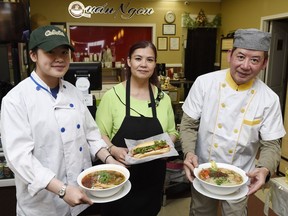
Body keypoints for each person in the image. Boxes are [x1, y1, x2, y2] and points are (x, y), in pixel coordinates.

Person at [0, 25, 121, 216]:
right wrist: (62, 190)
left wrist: (110, 160)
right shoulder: (16, 99)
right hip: (43, 206)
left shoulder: (73, 92)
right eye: (50, 52)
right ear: (33, 55)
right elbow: (19, 158)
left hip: (82, 197)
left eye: (64, 52)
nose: (59, 58)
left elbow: (91, 134)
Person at [180, 28, 286, 216]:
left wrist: (264, 168)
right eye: (241, 56)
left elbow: (271, 144)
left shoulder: (269, 99)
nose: (245, 65)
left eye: (255, 60)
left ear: (265, 63)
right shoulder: (204, 83)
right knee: (200, 213)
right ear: (230, 55)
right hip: (202, 168)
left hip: (241, 174)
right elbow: (188, 125)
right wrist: (188, 152)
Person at [95, 40, 178, 216]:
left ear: (155, 64)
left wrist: (165, 148)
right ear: (128, 61)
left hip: (152, 178)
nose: (143, 64)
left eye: (149, 60)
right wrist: (112, 149)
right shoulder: (112, 96)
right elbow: (98, 135)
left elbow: (172, 131)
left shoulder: (163, 98)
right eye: (138, 58)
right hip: (119, 176)